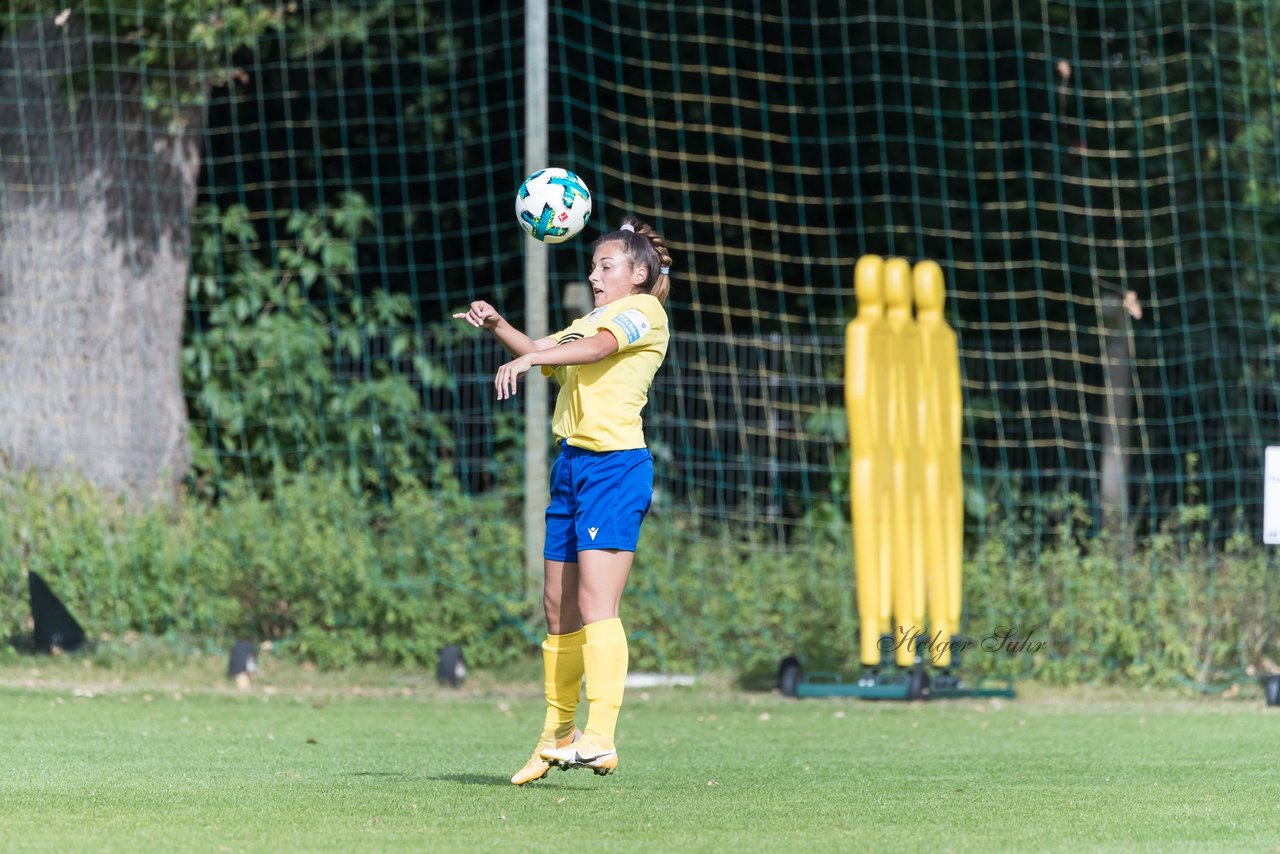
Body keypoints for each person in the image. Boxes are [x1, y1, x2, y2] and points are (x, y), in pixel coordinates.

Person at [453, 216, 672, 784]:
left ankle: (601, 736)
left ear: (639, 273)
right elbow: (539, 347)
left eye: (607, 267)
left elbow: (596, 350)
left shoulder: (642, 313)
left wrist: (531, 360)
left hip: (614, 469)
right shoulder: (594, 317)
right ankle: (558, 736)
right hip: (572, 467)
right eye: (593, 267)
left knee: (599, 605)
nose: (595, 276)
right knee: (557, 610)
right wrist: (499, 326)